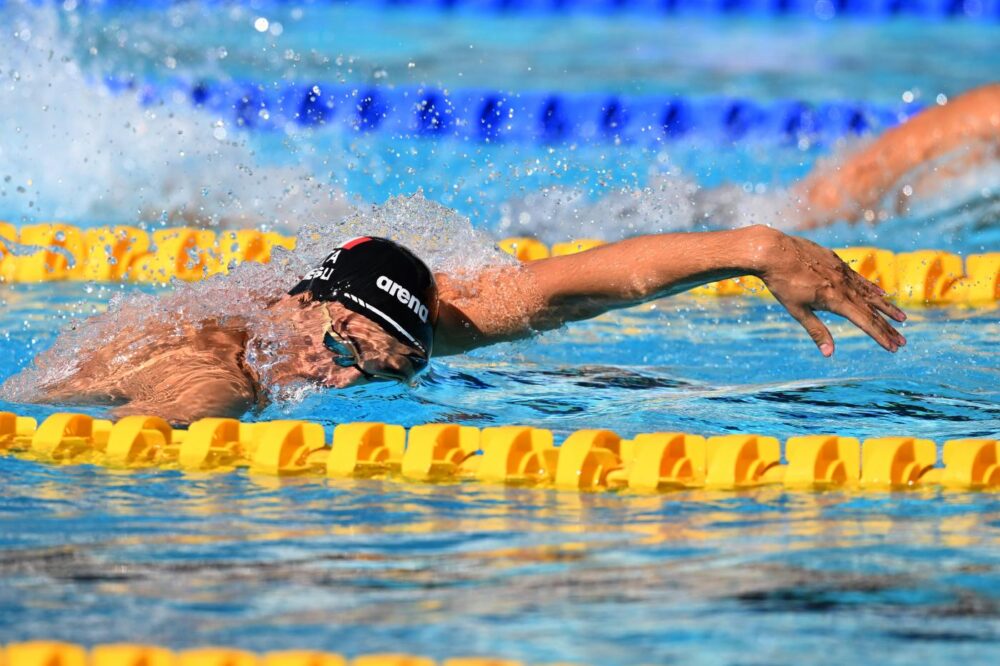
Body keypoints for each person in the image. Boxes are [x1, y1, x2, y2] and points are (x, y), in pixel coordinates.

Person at [7, 84, 998, 426]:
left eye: (374, 365)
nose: (335, 373)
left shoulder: (375, 325)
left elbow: (570, 286)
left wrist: (753, 248)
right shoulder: (221, 376)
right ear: (306, 300)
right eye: (342, 346)